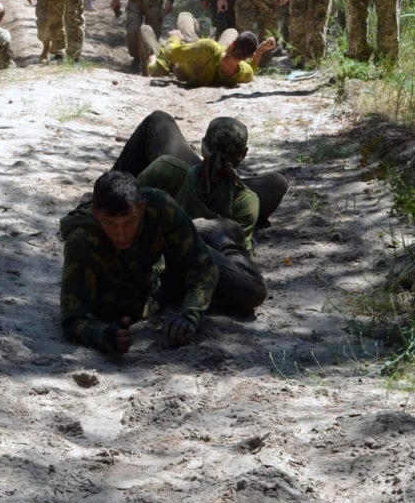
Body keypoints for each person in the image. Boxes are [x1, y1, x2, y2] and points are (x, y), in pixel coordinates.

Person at [113, 112, 289, 315]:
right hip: (197, 201)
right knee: (274, 185)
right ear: (244, 154)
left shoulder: (168, 171)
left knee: (160, 120)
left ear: (203, 143)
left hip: (200, 227)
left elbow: (238, 266)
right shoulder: (244, 201)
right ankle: (110, 187)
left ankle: (110, 185)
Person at [59, 170, 219, 354]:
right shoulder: (81, 242)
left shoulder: (159, 207)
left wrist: (191, 313)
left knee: (250, 291)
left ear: (141, 208)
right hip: (148, 295)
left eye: (129, 222)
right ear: (96, 214)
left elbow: (203, 265)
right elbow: (72, 319)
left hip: (166, 271)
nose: (121, 234)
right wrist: (102, 335)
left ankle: (221, 236)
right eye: (110, 223)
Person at [140, 15, 276, 87]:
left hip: (188, 51)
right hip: (201, 50)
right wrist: (260, 52)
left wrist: (175, 38)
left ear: (233, 44)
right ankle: (195, 27)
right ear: (248, 56)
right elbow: (251, 71)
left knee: (147, 29)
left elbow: (171, 53)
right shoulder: (243, 74)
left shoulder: (208, 47)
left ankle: (191, 23)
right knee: (231, 31)